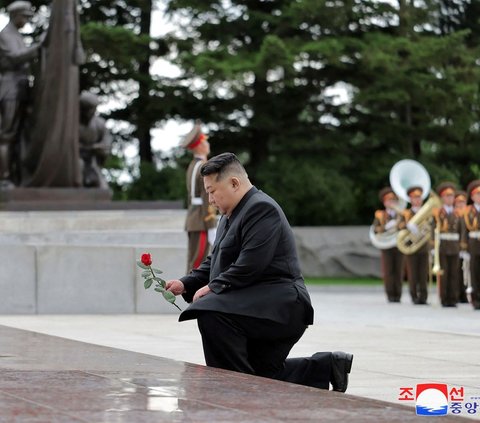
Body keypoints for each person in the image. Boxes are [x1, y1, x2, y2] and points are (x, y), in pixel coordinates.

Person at [166, 152, 354, 392]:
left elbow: (251, 264)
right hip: (255, 305)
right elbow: (214, 261)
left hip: (282, 305)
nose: (210, 199)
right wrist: (186, 283)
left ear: (234, 183)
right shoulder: (228, 215)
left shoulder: (262, 208)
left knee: (212, 314)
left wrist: (213, 288)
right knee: (263, 376)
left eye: (212, 191)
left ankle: (231, 392)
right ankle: (328, 366)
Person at [0, 1, 41, 187]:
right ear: (15, 15)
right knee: (7, 135)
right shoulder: (6, 35)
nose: (26, 20)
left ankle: (17, 176)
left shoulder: (15, 35)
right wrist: (39, 46)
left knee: (18, 136)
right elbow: (16, 57)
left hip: (21, 87)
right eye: (25, 16)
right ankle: (4, 178)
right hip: (10, 88)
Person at [181, 121, 217, 273]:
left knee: (194, 262)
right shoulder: (204, 166)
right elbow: (207, 196)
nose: (207, 144)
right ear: (200, 145)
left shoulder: (192, 165)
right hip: (201, 220)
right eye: (205, 140)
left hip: (193, 218)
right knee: (198, 265)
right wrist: (211, 224)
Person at [432, 182, 465, 307]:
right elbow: (432, 229)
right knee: (443, 273)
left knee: (454, 273)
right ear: (442, 198)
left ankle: (453, 298)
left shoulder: (459, 213)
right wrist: (432, 246)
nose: (450, 198)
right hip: (442, 245)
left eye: (451, 196)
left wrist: (463, 246)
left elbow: (462, 230)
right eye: (447, 196)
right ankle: (444, 298)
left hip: (455, 245)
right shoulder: (437, 212)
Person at [372, 187, 404, 302]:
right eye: (388, 200)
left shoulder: (401, 214)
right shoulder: (380, 215)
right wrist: (386, 227)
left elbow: (405, 227)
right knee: (388, 271)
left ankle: (398, 295)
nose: (391, 203)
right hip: (386, 245)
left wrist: (399, 225)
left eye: (393, 200)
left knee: (399, 270)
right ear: (384, 202)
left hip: (398, 244)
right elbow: (375, 229)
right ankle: (390, 295)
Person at [402, 186, 430, 304]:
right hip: (411, 246)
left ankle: (423, 297)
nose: (417, 200)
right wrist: (406, 226)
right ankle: (414, 296)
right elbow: (399, 226)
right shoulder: (406, 213)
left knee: (424, 274)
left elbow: (432, 226)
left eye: (419, 198)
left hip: (423, 246)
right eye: (415, 198)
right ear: (410, 199)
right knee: (412, 273)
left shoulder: (427, 212)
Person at [79, 91, 111, 188]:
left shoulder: (99, 124)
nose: (90, 111)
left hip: (92, 161)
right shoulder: (73, 123)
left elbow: (106, 144)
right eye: (87, 109)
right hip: (76, 160)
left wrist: (99, 148)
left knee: (102, 188)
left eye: (92, 108)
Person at [463, 180, 480, 310]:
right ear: (472, 196)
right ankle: (476, 299)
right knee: (474, 272)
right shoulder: (468, 210)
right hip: (474, 243)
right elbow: (464, 229)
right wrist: (463, 247)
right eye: (477, 194)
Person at [454, 190, 469, 303]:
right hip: (453, 246)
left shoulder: (469, 214)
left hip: (468, 247)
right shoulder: (452, 214)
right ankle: (457, 294)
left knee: (467, 271)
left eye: (462, 202)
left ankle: (465, 294)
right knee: (456, 272)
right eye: (458, 202)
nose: (460, 205)